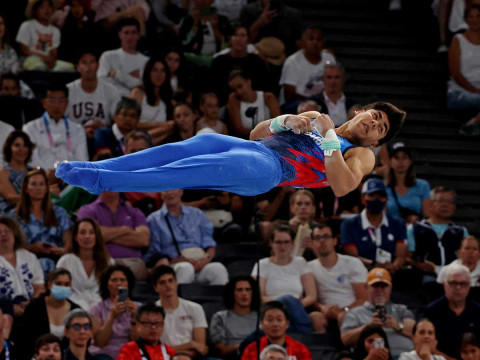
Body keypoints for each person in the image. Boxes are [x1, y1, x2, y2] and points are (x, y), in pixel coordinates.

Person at [56, 101, 405, 198]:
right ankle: (102, 168)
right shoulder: (316, 116)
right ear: (360, 112)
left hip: (270, 171)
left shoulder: (361, 154)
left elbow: (343, 188)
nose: (374, 124)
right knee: (203, 139)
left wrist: (329, 137)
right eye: (375, 116)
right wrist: (286, 121)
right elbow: (256, 133)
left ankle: (103, 183)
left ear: (376, 141)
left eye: (381, 128)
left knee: (187, 170)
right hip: (256, 149)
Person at [145, 189, 228, 285]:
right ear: (161, 194)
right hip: (173, 264)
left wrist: (205, 260)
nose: (170, 193)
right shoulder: (153, 219)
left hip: (200, 261)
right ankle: (179, 299)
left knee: (218, 268)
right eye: (166, 190)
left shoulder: (197, 214)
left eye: (173, 189)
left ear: (181, 191)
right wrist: (179, 260)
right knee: (185, 268)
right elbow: (155, 253)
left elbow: (210, 245)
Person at [252, 223, 318, 333]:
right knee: (287, 299)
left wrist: (294, 305)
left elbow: (312, 296)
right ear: (271, 243)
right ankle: (306, 332)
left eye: (286, 242)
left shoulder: (300, 262)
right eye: (278, 242)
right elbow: (259, 296)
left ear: (292, 243)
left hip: (297, 311)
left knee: (290, 302)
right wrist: (286, 303)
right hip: (271, 311)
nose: (282, 246)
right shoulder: (262, 265)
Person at [341, 268, 415, 359]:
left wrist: (398, 326)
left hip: (407, 356)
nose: (379, 290)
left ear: (390, 288)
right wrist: (368, 327)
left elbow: (415, 331)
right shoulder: (355, 313)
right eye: (375, 286)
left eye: (383, 286)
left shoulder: (401, 310)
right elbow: (345, 340)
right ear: (366, 287)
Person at [76, 188, 150, 280]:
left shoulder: (134, 212)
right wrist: (125, 230)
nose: (110, 186)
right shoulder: (86, 211)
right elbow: (88, 237)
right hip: (100, 262)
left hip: (133, 263)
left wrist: (103, 234)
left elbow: (143, 240)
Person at [9, 168, 73, 274]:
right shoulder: (15, 216)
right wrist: (32, 248)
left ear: (46, 188)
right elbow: (10, 247)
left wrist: (61, 250)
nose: (38, 188)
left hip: (57, 262)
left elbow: (68, 242)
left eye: (42, 184)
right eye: (34, 184)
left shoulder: (59, 212)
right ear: (26, 188)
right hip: (26, 263)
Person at [341, 177, 408, 272]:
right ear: (363, 199)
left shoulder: (398, 224)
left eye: (381, 196)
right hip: (361, 273)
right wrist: (374, 265)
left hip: (391, 274)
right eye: (372, 195)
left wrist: (393, 267)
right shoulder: (349, 225)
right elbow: (353, 257)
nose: (376, 199)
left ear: (386, 199)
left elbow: (401, 256)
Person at [308, 223, 368, 325]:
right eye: (317, 238)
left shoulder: (353, 263)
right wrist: (323, 308)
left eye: (326, 237)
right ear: (312, 243)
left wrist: (344, 310)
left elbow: (363, 299)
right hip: (326, 313)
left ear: (335, 241)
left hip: (353, 310)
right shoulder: (309, 267)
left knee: (343, 317)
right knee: (315, 318)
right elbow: (312, 298)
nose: (322, 241)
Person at [16, 268, 80, 360]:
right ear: (49, 285)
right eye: (58, 284)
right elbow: (24, 339)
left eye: (66, 284)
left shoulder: (75, 311)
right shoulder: (34, 307)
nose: (63, 287)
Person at [409, 186, 469, 282]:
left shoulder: (461, 232)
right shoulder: (414, 228)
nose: (445, 205)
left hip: (453, 279)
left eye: (449, 202)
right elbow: (407, 257)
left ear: (454, 206)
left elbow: (466, 259)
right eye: (441, 201)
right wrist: (420, 265)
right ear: (431, 204)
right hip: (423, 279)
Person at [23, 83, 88, 170]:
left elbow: (82, 161)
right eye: (52, 100)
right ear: (44, 103)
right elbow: (31, 161)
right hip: (42, 177)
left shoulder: (78, 129)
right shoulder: (30, 128)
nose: (56, 105)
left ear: (67, 103)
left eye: (61, 101)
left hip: (71, 177)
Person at [424, 263, 480, 359]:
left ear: (469, 286)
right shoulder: (431, 311)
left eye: (463, 284)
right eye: (453, 283)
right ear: (444, 285)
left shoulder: (478, 311)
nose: (458, 288)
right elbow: (428, 348)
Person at [151, 265, 209, 358]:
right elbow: (152, 350)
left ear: (176, 282)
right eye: (162, 282)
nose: (168, 286)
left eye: (171, 281)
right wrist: (190, 345)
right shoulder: (151, 312)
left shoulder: (195, 308)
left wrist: (181, 353)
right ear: (156, 287)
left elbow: (201, 348)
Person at [57, 218, 113, 310]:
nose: (87, 236)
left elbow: (119, 287)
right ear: (75, 237)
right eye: (82, 233)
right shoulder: (65, 261)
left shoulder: (109, 262)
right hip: (72, 308)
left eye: (91, 233)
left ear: (96, 236)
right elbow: (59, 289)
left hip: (103, 309)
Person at [211, 24, 271, 104]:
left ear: (248, 39)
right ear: (230, 38)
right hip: (225, 103)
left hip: (255, 103)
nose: (239, 39)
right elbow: (214, 88)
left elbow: (265, 87)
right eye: (235, 35)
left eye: (243, 35)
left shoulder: (257, 61)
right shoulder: (219, 62)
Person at [89, 264, 140, 359]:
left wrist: (134, 318)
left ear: (128, 284)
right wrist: (112, 316)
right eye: (114, 280)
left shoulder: (138, 308)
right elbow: (100, 342)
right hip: (104, 353)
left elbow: (139, 341)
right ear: (107, 284)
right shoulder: (96, 308)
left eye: (122, 280)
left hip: (130, 354)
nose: (118, 284)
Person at [279, 26, 336, 110]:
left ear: (323, 43)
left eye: (318, 39)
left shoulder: (329, 58)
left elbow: (336, 84)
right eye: (311, 39)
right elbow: (289, 95)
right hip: (294, 104)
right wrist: (313, 102)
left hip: (322, 101)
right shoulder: (292, 62)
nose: (315, 42)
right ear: (302, 42)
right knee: (310, 107)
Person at [447, 5, 480, 133]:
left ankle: (474, 121)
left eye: (478, 16)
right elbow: (455, 73)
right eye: (471, 17)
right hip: (460, 91)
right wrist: (474, 90)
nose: (475, 20)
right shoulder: (458, 40)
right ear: (466, 20)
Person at [241, 301, 312, 360]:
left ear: (287, 324)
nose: (275, 324)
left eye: (279, 320)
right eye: (270, 320)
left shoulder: (301, 350)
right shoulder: (251, 349)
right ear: (262, 324)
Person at [66, 51, 121, 127]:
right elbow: (60, 121)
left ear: (98, 65)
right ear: (78, 67)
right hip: (74, 135)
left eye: (92, 62)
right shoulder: (67, 90)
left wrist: (102, 126)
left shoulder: (112, 90)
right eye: (84, 62)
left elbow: (119, 122)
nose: (88, 66)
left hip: (102, 134)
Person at [16, 0, 73, 71]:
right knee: (38, 66)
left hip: (48, 61)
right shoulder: (27, 25)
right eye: (42, 7)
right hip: (30, 59)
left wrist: (51, 60)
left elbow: (54, 52)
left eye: (49, 6)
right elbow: (24, 51)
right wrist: (44, 58)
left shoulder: (55, 30)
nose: (47, 10)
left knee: (69, 67)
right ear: (35, 10)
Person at [210, 276, 259, 358]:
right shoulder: (220, 317)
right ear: (232, 293)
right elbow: (222, 350)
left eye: (248, 289)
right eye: (239, 290)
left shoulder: (262, 317)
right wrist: (243, 346)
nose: (244, 294)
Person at [0, 216, 44, 308]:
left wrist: (31, 304)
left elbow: (39, 287)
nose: (4, 234)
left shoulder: (29, 257)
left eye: (7, 231)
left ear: (15, 234)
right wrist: (9, 308)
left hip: (31, 306)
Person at [97, 17, 149, 96]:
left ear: (138, 35)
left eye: (133, 33)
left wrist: (116, 74)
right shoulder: (108, 56)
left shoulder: (146, 61)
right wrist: (132, 80)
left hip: (136, 103)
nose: (130, 37)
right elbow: (102, 81)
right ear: (120, 34)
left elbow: (145, 87)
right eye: (126, 33)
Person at [130, 58, 175, 145]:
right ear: (148, 73)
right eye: (155, 70)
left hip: (159, 141)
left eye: (163, 71)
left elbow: (170, 127)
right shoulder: (138, 93)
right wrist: (162, 125)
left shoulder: (168, 99)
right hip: (136, 139)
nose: (159, 75)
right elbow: (131, 123)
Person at [385, 142, 431, 223]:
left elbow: (427, 215)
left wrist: (417, 218)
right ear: (390, 162)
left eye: (404, 157)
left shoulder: (423, 185)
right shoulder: (383, 186)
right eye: (396, 158)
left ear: (410, 161)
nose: (401, 161)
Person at [227, 70, 280, 138]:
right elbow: (238, 130)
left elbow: (278, 124)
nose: (238, 92)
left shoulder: (268, 98)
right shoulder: (234, 100)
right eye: (234, 90)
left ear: (249, 81)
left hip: (271, 139)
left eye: (240, 86)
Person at [311, 63, 355, 127]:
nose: (333, 81)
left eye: (337, 77)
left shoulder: (352, 105)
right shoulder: (312, 103)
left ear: (343, 79)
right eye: (329, 77)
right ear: (323, 79)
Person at [0, 131, 34, 214]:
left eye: (25, 146)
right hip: (10, 218)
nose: (21, 150)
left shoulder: (34, 171)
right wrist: (41, 196)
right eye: (17, 145)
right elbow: (11, 198)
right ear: (9, 148)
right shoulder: (2, 173)